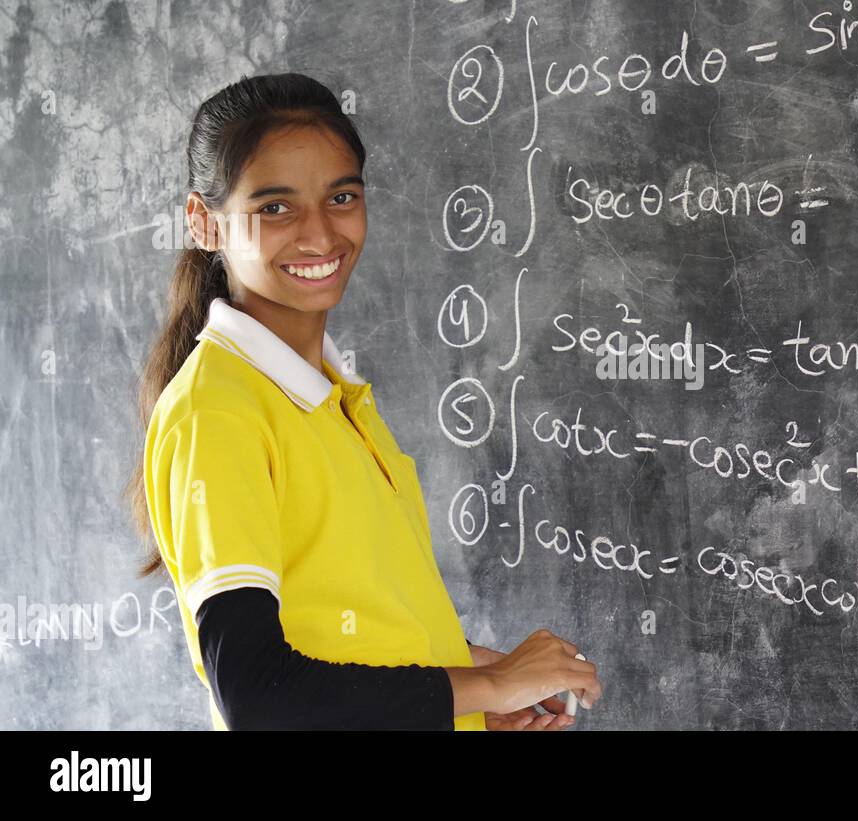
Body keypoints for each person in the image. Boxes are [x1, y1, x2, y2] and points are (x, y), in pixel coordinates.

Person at [124, 72, 601, 730]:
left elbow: (353, 632)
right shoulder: (218, 412)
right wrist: (486, 682)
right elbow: (259, 697)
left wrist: (482, 697)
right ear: (204, 223)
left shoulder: (336, 399)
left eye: (341, 196)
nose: (321, 234)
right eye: (274, 207)